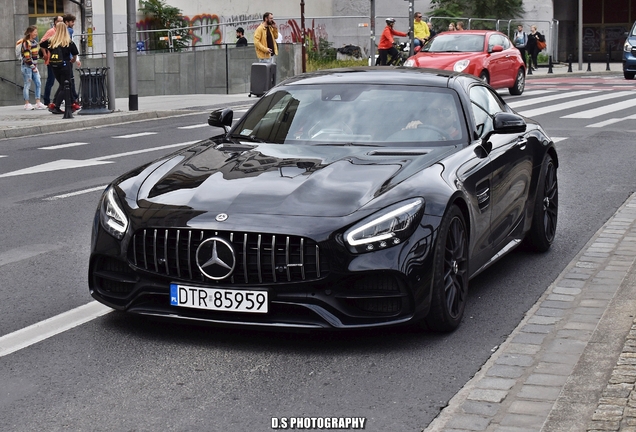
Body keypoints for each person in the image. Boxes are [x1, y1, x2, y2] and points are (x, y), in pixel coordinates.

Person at [40, 22, 79, 115]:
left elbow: (41, 44)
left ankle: (59, 104)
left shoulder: (51, 41)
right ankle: (57, 106)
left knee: (63, 85)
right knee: (66, 85)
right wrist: (73, 60)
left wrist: (45, 53)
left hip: (54, 66)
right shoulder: (68, 41)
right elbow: (75, 54)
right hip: (65, 65)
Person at [20, 25, 46, 110]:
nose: (36, 33)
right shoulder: (26, 43)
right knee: (27, 84)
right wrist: (33, 67)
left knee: (38, 83)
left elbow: (35, 55)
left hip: (33, 66)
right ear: (30, 33)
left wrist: (35, 66)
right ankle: (27, 103)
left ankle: (38, 102)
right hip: (27, 66)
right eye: (35, 32)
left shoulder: (34, 42)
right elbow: (27, 57)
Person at [41, 15, 63, 107]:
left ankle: (58, 99)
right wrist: (45, 54)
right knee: (51, 80)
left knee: (62, 81)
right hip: (52, 59)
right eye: (59, 21)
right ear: (55, 22)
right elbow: (42, 42)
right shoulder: (51, 31)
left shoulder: (61, 32)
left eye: (62, 21)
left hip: (60, 59)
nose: (60, 23)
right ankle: (46, 100)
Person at [62, 14, 81, 111]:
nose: (73, 24)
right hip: (68, 59)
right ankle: (73, 100)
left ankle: (72, 98)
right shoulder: (69, 31)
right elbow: (71, 45)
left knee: (65, 82)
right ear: (66, 22)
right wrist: (75, 58)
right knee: (70, 80)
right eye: (72, 22)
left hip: (61, 59)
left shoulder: (59, 32)